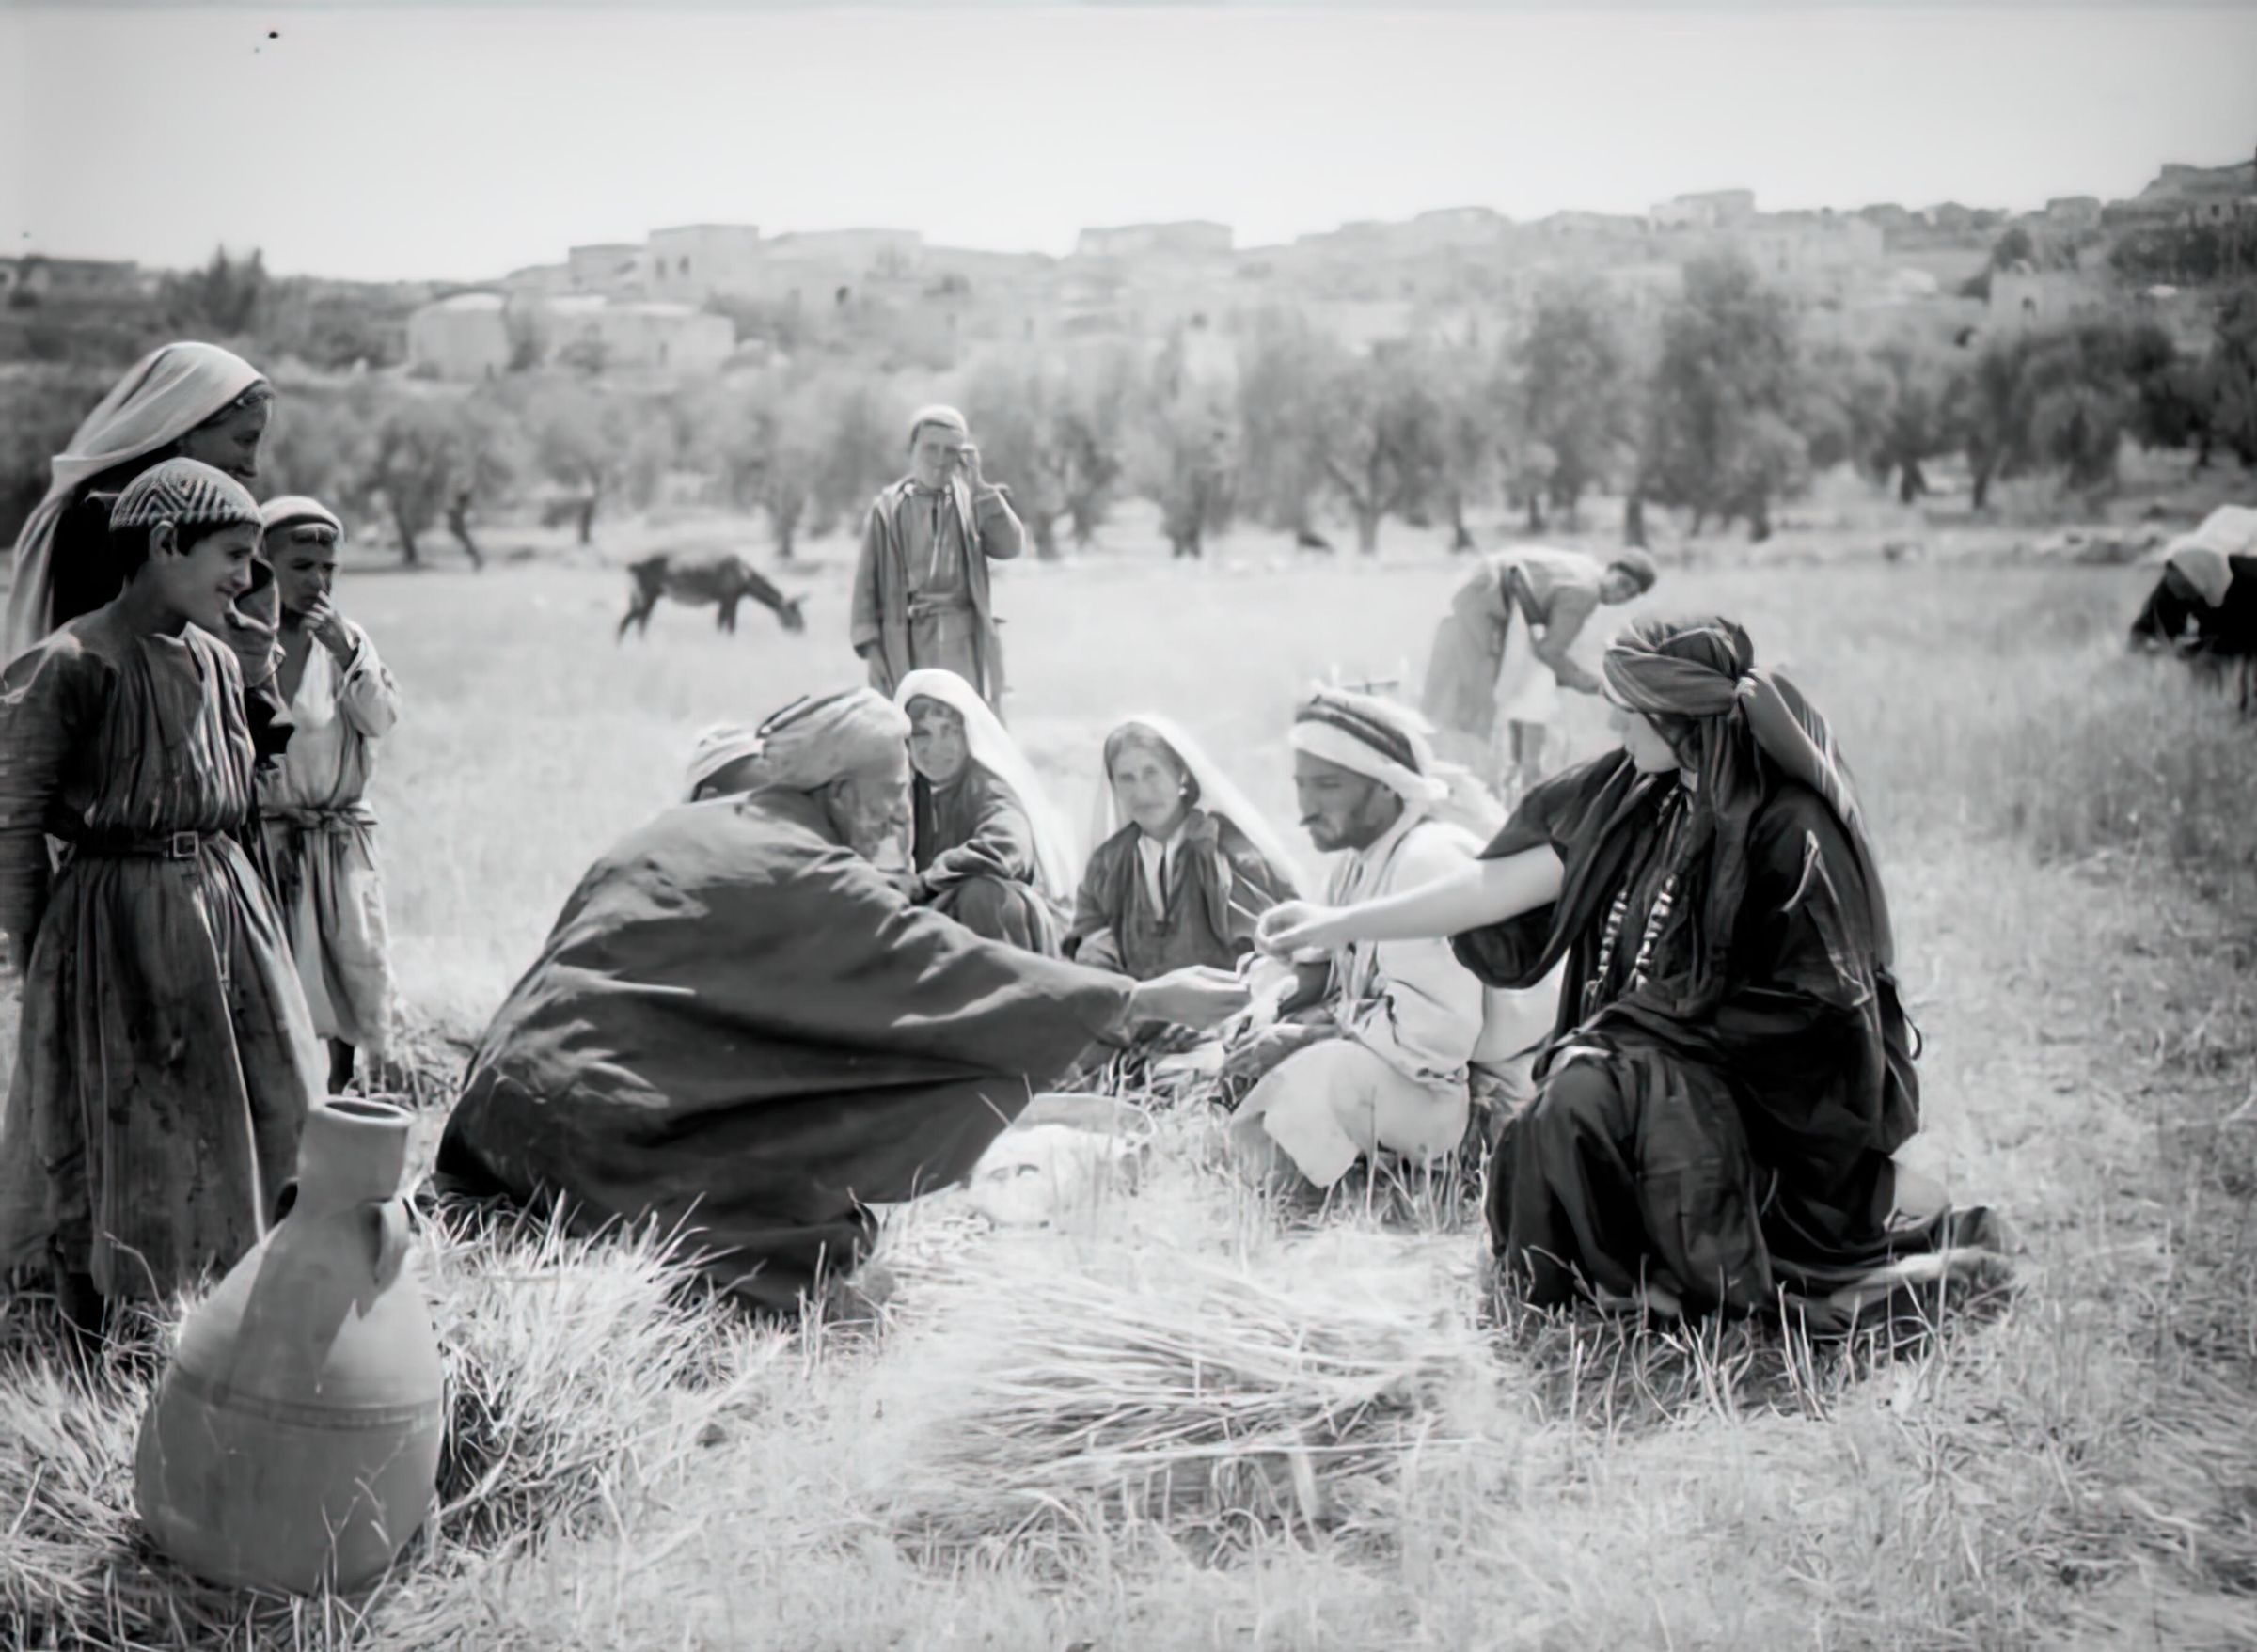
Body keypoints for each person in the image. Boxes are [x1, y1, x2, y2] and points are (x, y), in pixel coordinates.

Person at [1262, 617, 2006, 1327]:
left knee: (1575, 1100)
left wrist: (1664, 1037)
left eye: (1628, 714)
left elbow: (1824, 1011)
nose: (1614, 730)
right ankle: (1626, 1281)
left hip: (1761, 1096)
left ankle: (1778, 1235)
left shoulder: (1788, 826)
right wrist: (1333, 925)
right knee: (1555, 1110)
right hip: (1647, 1063)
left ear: (1676, 716)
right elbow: (1490, 891)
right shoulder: (1632, 797)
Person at [434, 687, 1248, 1317]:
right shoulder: (807, 870)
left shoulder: (670, 832)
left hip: (488, 1124)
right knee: (811, 1236)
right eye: (890, 789)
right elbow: (940, 970)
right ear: (837, 789)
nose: (903, 810)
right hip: (592, 1145)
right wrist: (1137, 997)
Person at [0, 460, 323, 1335]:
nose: (248, 579)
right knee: (133, 1131)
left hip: (226, 914)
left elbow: (241, 802)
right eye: (231, 554)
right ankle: (118, 1331)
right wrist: (38, 961)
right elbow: (15, 821)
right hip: (116, 929)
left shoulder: (220, 661)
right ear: (164, 543)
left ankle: (234, 1319)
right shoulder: (74, 661)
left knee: (264, 1109)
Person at [1224, 688, 1559, 1195]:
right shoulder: (1359, 861)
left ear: (1388, 788)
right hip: (1424, 1076)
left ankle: (1300, 1206)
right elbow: (1333, 969)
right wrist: (1276, 1005)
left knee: (1324, 1074)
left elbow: (1435, 1044)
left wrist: (1311, 1035)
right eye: (1302, 786)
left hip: (1479, 1095)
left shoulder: (1426, 861)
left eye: (1328, 786)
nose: (1306, 809)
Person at [3, 342, 293, 770]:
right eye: (243, 440)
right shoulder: (102, 524)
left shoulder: (216, 522)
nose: (251, 466)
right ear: (186, 426)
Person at [254, 496, 403, 1094]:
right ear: (263, 566)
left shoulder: (348, 644)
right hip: (268, 843)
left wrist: (347, 655)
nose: (318, 580)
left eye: (328, 567)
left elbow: (382, 719)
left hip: (338, 842)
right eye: (301, 565)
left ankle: (343, 1102)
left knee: (348, 975)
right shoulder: (240, 645)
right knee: (274, 984)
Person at [1068, 714, 1304, 981]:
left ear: (1181, 775)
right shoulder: (1107, 865)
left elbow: (1271, 950)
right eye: (1127, 778)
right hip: (1142, 1013)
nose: (1142, 792)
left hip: (1228, 1007)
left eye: (1151, 773)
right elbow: (1089, 944)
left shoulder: (1227, 850)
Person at [1420, 545, 1657, 804]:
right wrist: (1596, 685)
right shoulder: (1585, 592)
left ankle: (1477, 780)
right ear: (1610, 570)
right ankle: (1467, 788)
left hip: (1476, 591)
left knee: (1479, 695)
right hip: (1484, 600)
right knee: (1476, 704)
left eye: (1629, 594)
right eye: (1622, 583)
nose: (1619, 594)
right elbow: (1550, 650)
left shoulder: (1584, 568)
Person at [850, 405, 1027, 716]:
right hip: (908, 640)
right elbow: (865, 591)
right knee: (916, 727)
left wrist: (981, 489)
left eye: (951, 451)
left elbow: (1010, 546)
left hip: (965, 640)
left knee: (970, 725)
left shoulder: (972, 500)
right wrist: (874, 654)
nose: (940, 460)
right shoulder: (887, 511)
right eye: (931, 449)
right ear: (912, 450)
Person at [895, 668, 1076, 953]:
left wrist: (929, 880)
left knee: (982, 895)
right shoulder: (905, 791)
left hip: (1002, 928)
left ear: (968, 734)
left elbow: (1007, 847)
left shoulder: (988, 786)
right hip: (939, 921)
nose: (936, 747)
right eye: (923, 735)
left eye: (949, 731)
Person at [2127, 509, 2257, 712]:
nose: (2178, 586)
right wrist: (2159, 648)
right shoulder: (2178, 581)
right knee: (2207, 666)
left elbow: (2240, 640)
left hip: (2244, 629)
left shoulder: (2246, 580)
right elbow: (2143, 634)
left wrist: (2197, 649)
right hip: (2222, 641)